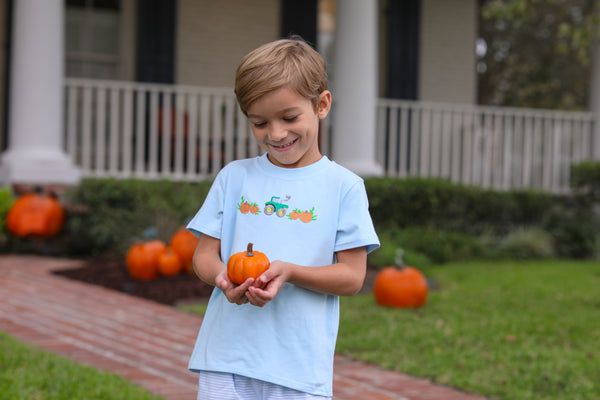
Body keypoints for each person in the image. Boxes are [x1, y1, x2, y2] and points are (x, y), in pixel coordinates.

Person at [186, 36, 380, 400]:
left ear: (321, 105)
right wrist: (223, 279)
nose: (276, 134)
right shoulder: (234, 178)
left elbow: (353, 277)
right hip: (226, 357)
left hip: (298, 368)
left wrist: (289, 271)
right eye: (259, 123)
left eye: (289, 117)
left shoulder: (344, 187)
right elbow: (203, 255)